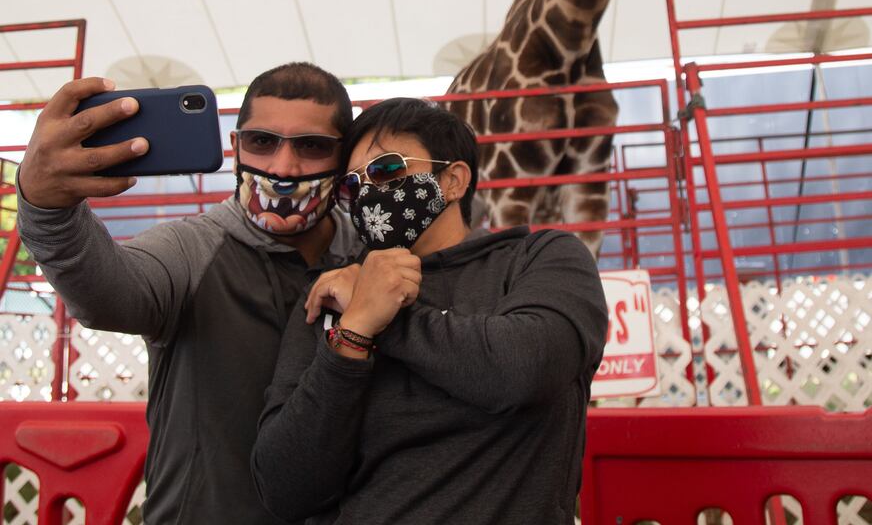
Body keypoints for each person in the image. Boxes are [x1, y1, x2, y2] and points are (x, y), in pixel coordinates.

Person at [16, 63, 360, 525]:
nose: (284, 167)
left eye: (312, 146)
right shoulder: (191, 250)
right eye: (263, 142)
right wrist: (45, 206)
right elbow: (105, 294)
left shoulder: (372, 259)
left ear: (344, 157)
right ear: (236, 147)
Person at [252, 97, 608, 525]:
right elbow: (283, 488)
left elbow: (523, 370)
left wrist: (385, 318)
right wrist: (352, 336)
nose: (369, 194)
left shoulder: (540, 259)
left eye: (386, 170)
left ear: (454, 179)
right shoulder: (334, 292)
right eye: (353, 185)